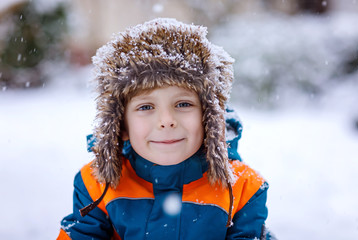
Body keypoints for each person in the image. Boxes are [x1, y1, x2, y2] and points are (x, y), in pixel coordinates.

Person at [57, 18, 271, 240]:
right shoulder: (97, 185)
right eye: (146, 107)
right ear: (121, 124)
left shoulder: (243, 189)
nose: (167, 120)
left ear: (209, 118)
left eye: (183, 104)